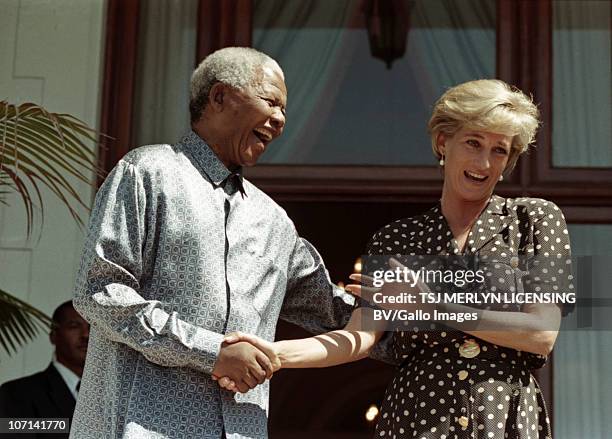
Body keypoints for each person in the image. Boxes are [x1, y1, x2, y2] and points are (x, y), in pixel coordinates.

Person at [218, 79, 574, 439]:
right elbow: (359, 337)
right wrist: (275, 355)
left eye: (500, 150)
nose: (484, 162)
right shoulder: (395, 239)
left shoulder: (536, 219)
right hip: (416, 419)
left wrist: (435, 309)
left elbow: (541, 333)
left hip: (505, 417)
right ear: (442, 142)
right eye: (473, 142)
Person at [69, 47, 355, 439]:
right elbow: (99, 292)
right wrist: (210, 351)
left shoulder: (274, 222)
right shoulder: (147, 172)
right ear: (219, 97)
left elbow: (340, 313)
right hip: (136, 427)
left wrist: (431, 312)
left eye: (285, 110)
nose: (280, 120)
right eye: (271, 101)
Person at [0, 301, 90, 438]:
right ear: (53, 336)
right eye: (74, 326)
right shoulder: (17, 393)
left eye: (92, 328)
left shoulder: (113, 395)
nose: (86, 335)